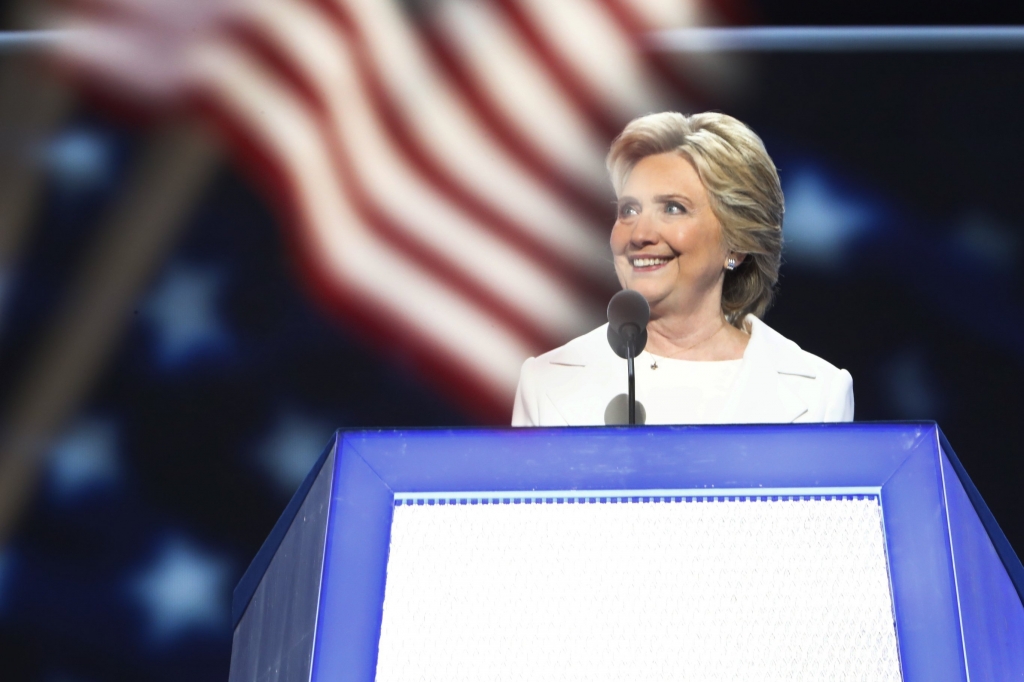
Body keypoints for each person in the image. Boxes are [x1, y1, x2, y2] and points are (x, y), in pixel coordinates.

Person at [512, 111, 853, 426]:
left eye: (673, 208)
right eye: (629, 210)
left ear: (736, 243)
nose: (640, 235)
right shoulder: (547, 384)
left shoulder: (818, 393)